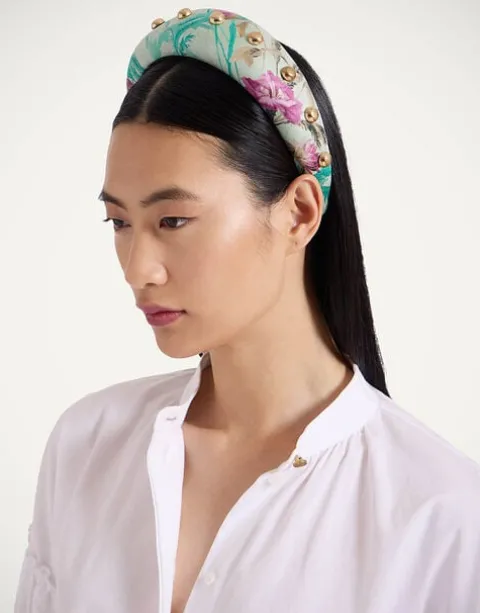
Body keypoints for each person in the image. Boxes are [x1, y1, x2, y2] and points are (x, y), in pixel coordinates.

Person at [14, 7, 480, 613]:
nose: (137, 269)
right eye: (119, 222)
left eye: (173, 220)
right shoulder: (86, 447)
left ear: (299, 213)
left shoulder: (441, 515)